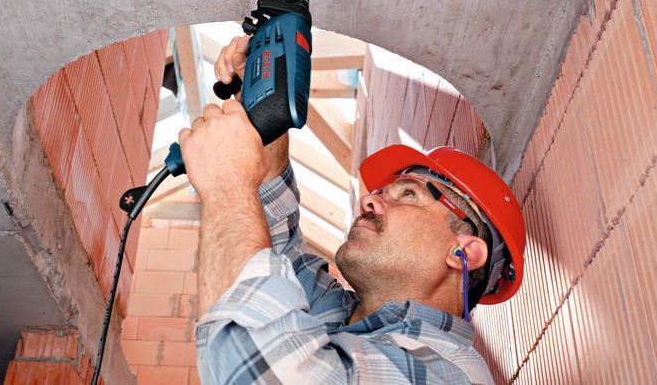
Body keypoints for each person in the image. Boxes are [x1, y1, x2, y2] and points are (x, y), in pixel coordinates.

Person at [178, 36, 526, 384]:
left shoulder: (447, 370)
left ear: (463, 250)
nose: (369, 201)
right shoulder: (340, 313)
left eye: (408, 194)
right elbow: (268, 241)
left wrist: (228, 184)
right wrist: (262, 106)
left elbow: (254, 371)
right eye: (379, 192)